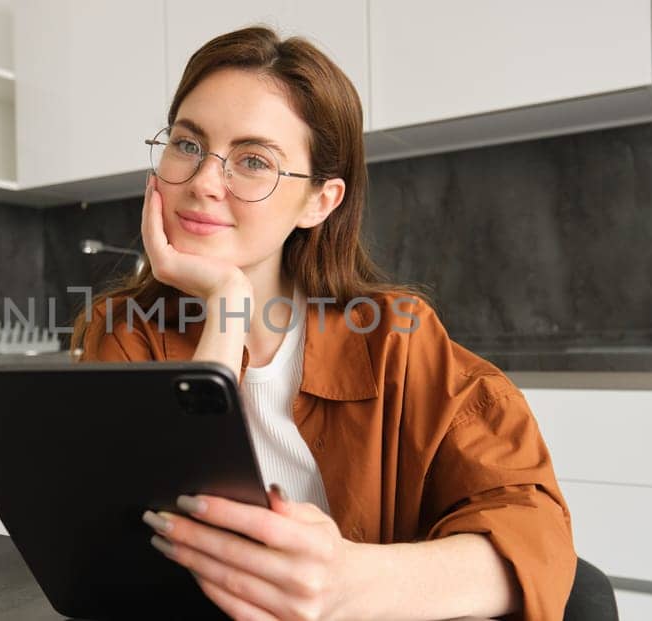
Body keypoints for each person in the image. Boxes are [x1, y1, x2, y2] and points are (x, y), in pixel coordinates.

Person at [74, 26, 575, 621]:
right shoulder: (126, 330)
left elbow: (533, 531)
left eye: (254, 160)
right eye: (187, 144)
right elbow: (121, 557)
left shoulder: (396, 341)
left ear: (320, 201)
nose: (204, 182)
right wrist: (225, 303)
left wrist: (349, 581)